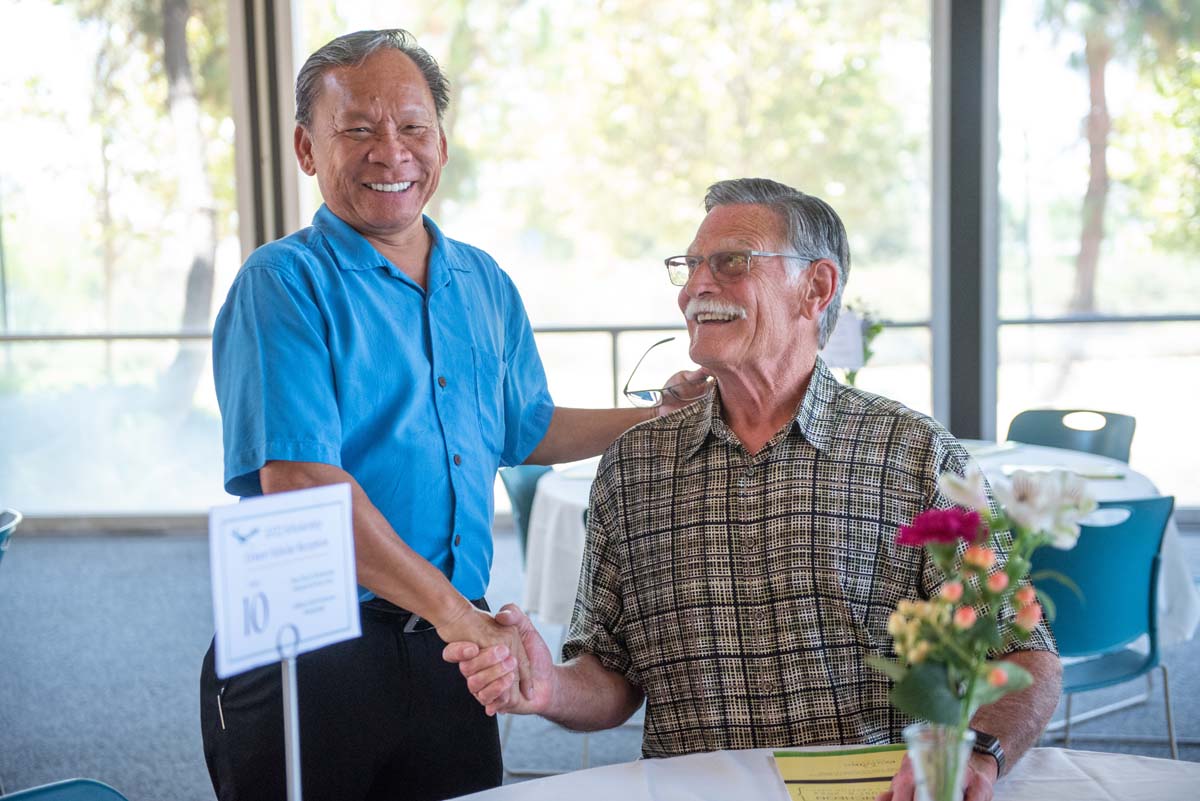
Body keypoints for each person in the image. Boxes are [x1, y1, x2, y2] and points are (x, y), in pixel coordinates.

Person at [446, 178, 1062, 801]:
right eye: (689, 267)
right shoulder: (634, 468)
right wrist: (549, 684)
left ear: (815, 288)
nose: (695, 288)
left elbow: (1022, 653)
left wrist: (978, 752)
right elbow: (611, 678)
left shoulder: (911, 454)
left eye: (730, 262)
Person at [201, 29, 695, 801]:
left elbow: (522, 428)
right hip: (317, 648)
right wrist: (458, 616)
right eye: (357, 128)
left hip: (450, 655)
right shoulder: (283, 284)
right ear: (305, 148)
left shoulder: (484, 281)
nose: (390, 151)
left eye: (412, 126)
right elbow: (301, 481)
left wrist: (656, 417)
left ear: (442, 140)